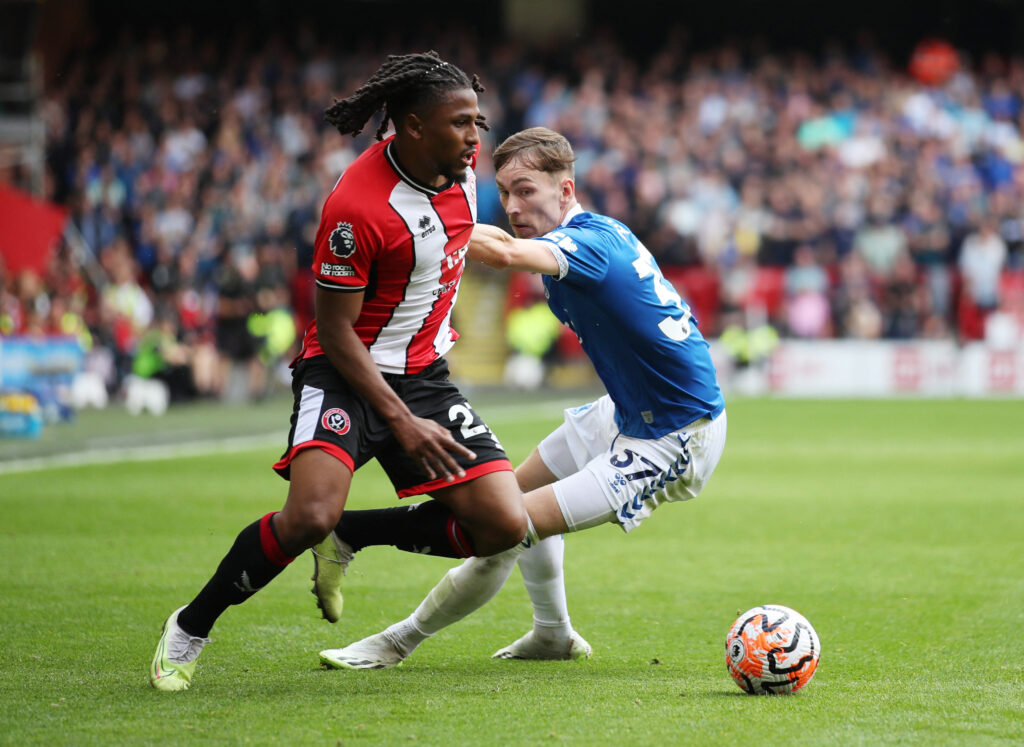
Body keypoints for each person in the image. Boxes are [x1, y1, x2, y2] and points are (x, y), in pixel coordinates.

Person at [149, 52, 530, 691]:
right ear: (411, 125)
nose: (475, 137)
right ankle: (189, 626)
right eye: (461, 123)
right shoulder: (358, 208)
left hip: (424, 376)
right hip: (344, 373)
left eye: (477, 120)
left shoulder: (460, 173)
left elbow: (458, 240)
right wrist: (399, 421)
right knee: (306, 517)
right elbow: (333, 331)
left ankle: (351, 534)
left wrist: (532, 252)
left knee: (502, 526)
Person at [315, 127, 727, 670]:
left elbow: (504, 254)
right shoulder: (594, 235)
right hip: (626, 413)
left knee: (502, 531)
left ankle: (394, 639)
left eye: (526, 190)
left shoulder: (589, 245)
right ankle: (553, 635)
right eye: (505, 192)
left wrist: (423, 222)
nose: (512, 205)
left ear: (566, 189)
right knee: (503, 502)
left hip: (674, 436)